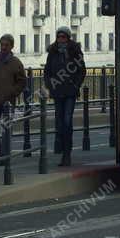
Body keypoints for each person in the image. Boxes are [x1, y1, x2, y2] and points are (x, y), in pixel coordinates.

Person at [44, 26, 86, 166]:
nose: (61, 40)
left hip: (70, 91)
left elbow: (82, 70)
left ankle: (66, 153)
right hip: (57, 92)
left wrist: (76, 84)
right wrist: (50, 85)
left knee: (67, 120)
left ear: (68, 38)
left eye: (63, 37)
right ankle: (61, 145)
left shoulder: (74, 51)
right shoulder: (53, 52)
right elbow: (47, 71)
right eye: (59, 37)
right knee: (59, 121)